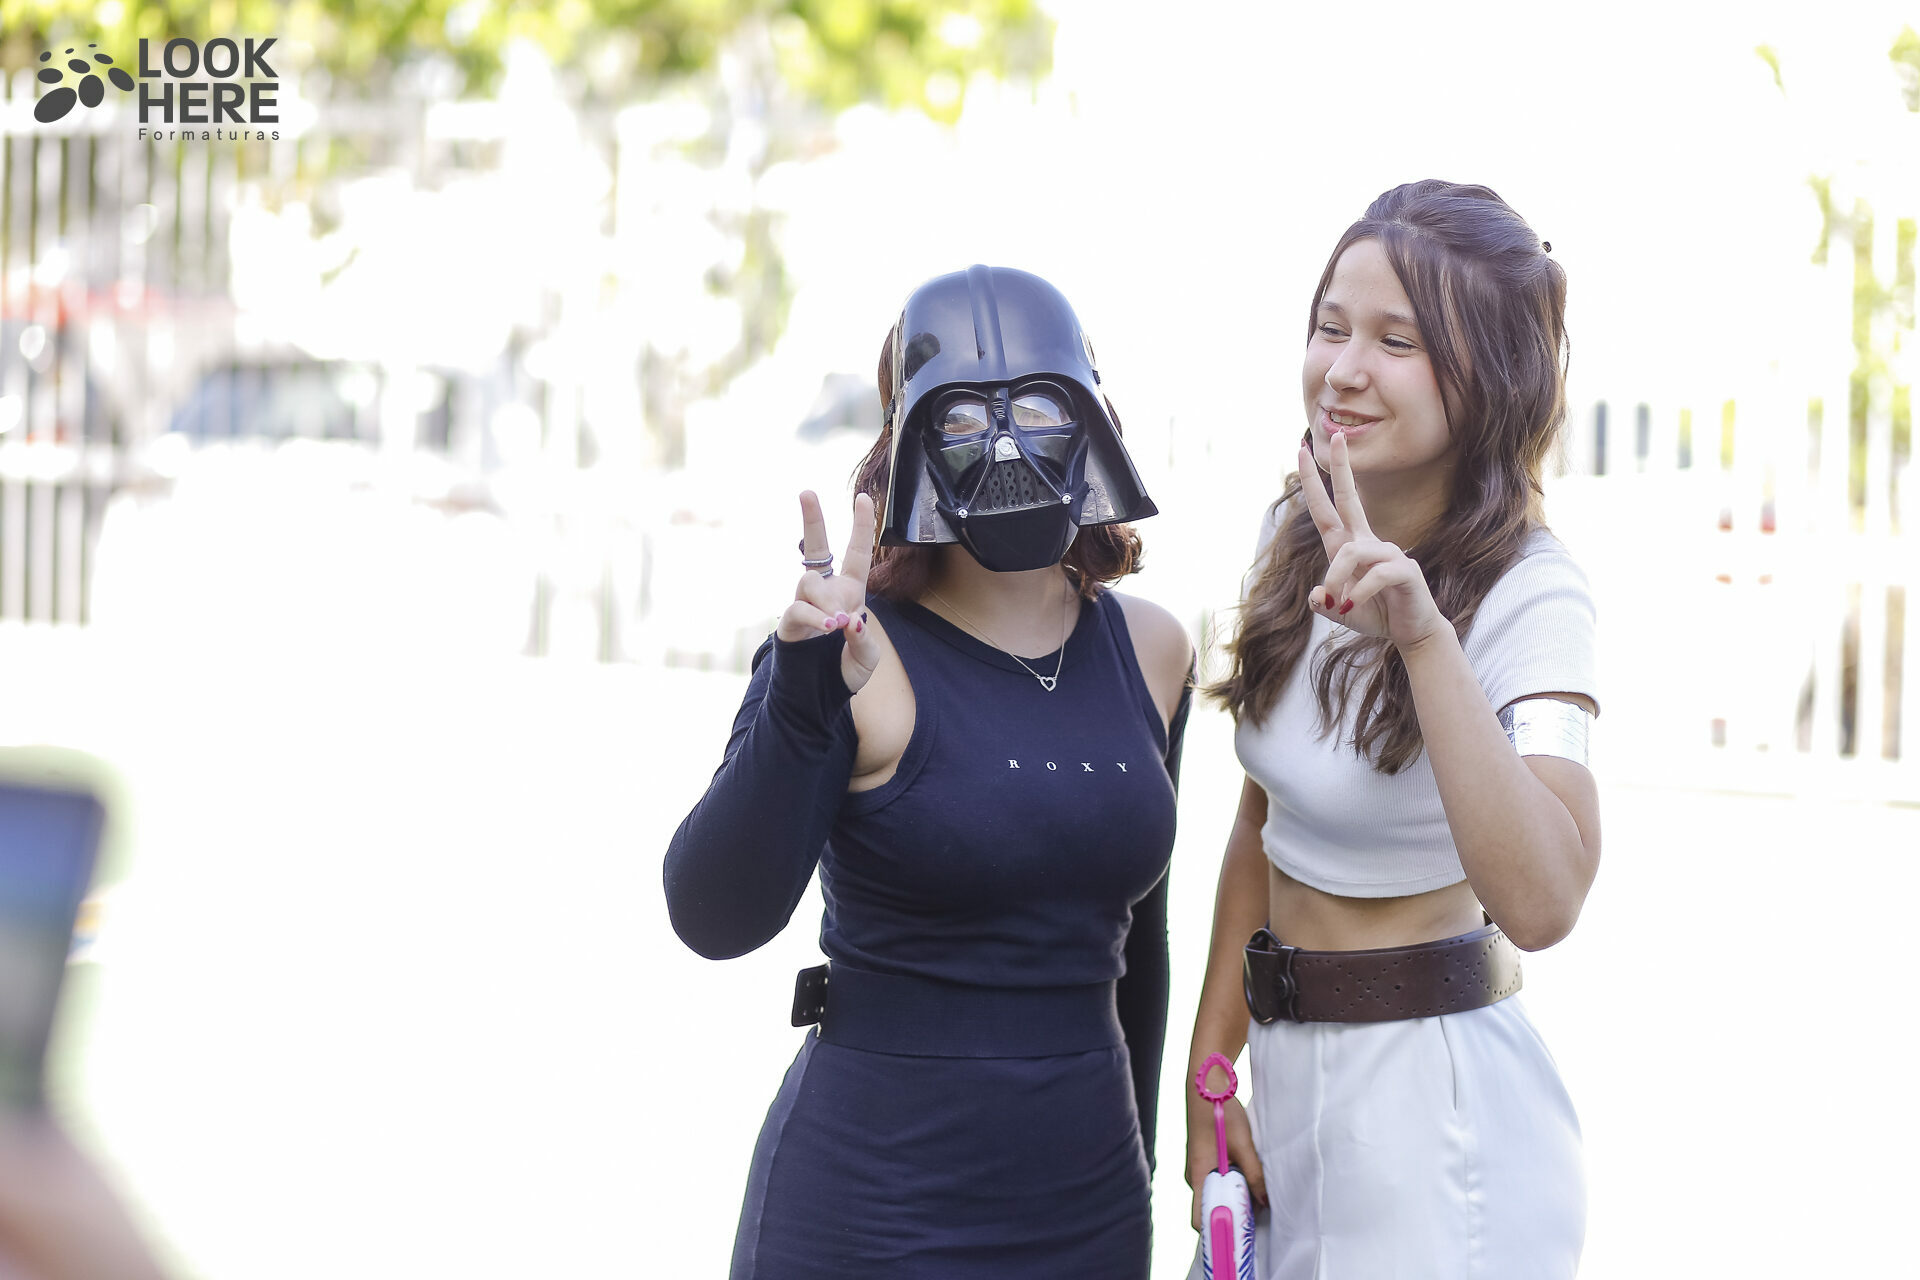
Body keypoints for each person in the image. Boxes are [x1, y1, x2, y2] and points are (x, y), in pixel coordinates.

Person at [664, 265, 1195, 1279]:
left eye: (1037, 407)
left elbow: (1142, 944)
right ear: (906, 442)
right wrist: (803, 696)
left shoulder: (1155, 649)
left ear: (1091, 419)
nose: (1005, 447)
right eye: (961, 419)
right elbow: (712, 913)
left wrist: (1146, 1167)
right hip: (868, 1207)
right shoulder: (851, 650)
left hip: (1090, 1203)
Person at [1184, 180, 1601, 1279]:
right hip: (1288, 1089)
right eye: (1331, 327)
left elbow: (1546, 899)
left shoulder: (1532, 591)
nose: (1343, 369)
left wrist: (1424, 638)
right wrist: (1211, 1068)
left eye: (1395, 341)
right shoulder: (1296, 526)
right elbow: (1263, 822)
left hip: (1439, 1122)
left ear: (1491, 375)